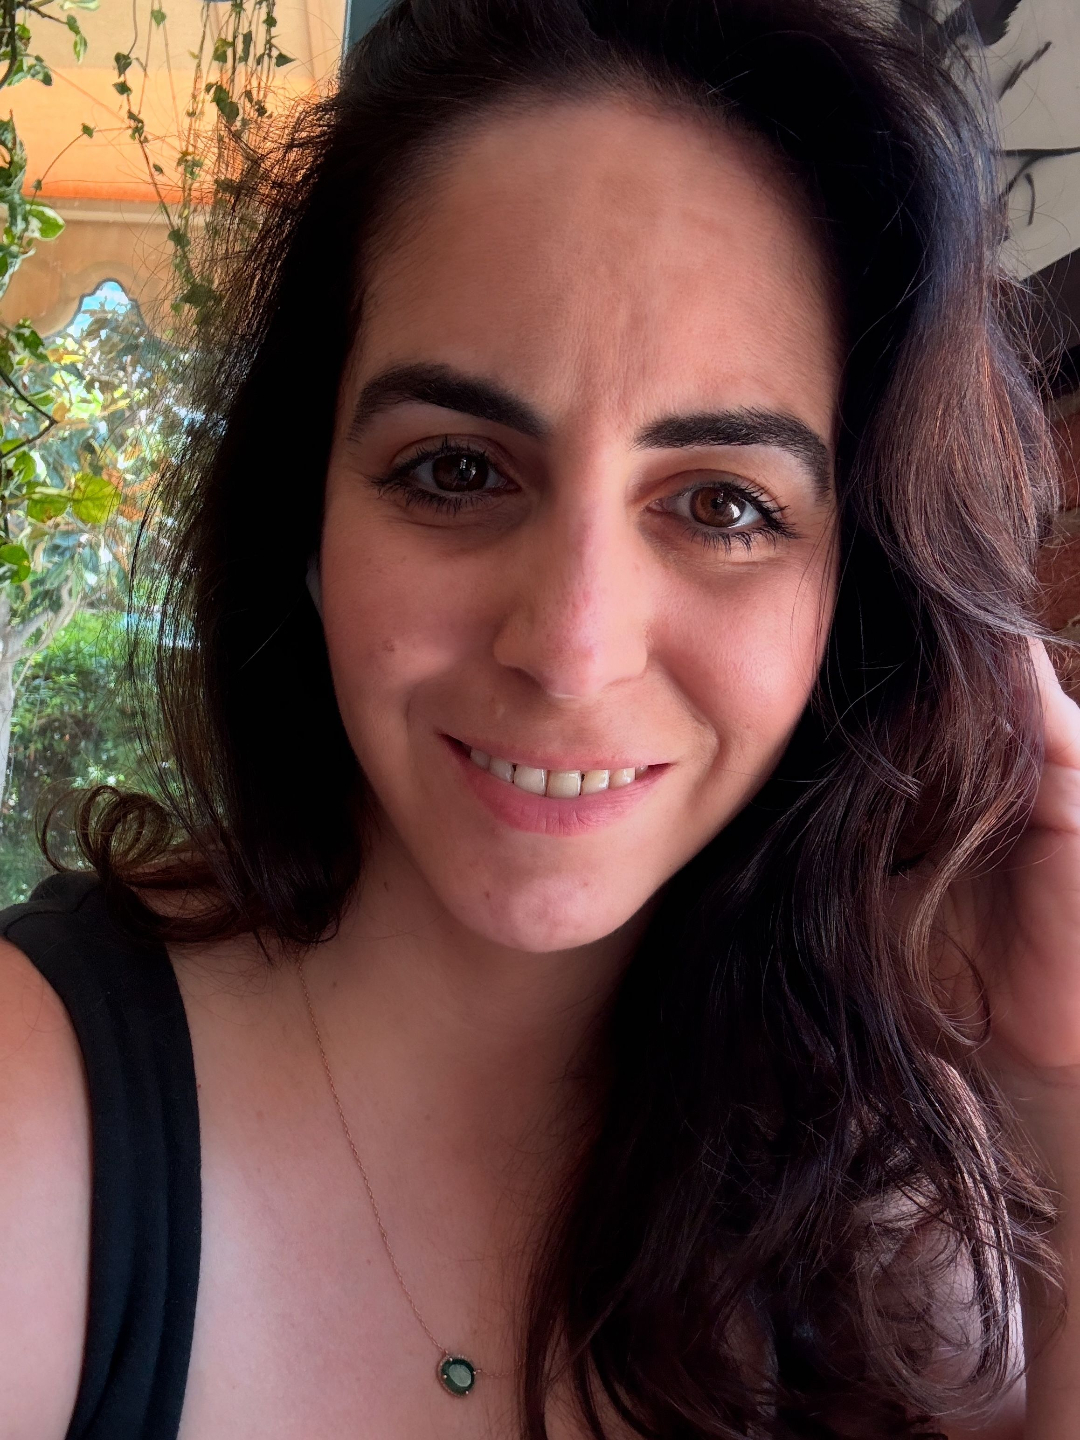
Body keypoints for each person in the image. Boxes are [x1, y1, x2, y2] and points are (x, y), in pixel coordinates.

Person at [1, 0, 1078, 1434]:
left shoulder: (911, 1224)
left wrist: (1063, 1087)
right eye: (455, 471)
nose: (570, 649)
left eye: (724, 505)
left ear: (856, 602)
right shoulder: (35, 1121)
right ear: (306, 523)